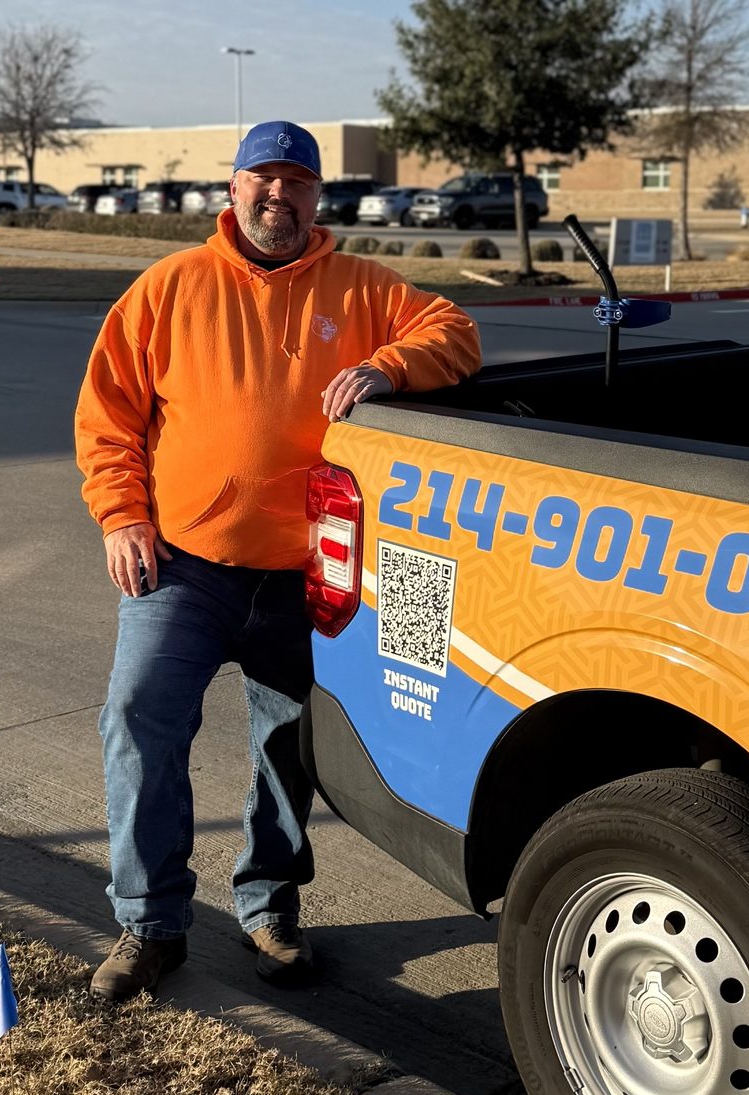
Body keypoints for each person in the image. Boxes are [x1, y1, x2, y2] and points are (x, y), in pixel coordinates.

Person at [76, 121, 481, 1001]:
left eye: (297, 182)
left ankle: (269, 908)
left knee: (288, 745)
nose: (279, 196)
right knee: (139, 717)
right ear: (232, 191)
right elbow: (108, 415)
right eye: (263, 179)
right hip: (182, 565)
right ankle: (149, 924)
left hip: (306, 578)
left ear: (317, 198)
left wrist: (389, 365)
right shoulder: (171, 287)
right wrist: (121, 516)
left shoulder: (363, 287)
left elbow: (456, 332)